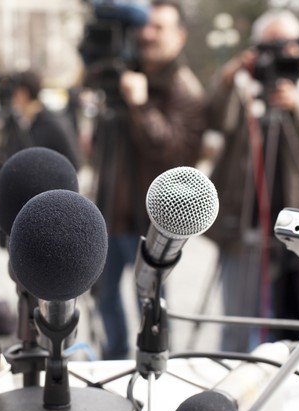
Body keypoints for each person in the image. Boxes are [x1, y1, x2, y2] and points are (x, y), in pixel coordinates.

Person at [205, 9, 299, 352]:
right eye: (271, 46)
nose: (281, 54)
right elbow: (214, 119)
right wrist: (230, 80)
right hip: (248, 225)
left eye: (289, 45)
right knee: (240, 325)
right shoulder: (242, 83)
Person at [92, 0, 206, 360]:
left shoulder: (185, 89)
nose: (148, 34)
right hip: (110, 212)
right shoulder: (124, 74)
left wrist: (140, 105)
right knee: (103, 295)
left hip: (151, 219)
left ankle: (153, 366)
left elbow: (175, 155)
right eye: (146, 26)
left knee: (151, 302)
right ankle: (113, 360)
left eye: (159, 28)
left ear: (181, 36)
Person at [4, 69, 84, 170]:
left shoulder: (53, 125)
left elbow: (75, 163)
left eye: (13, 92)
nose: (11, 97)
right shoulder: (20, 123)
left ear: (23, 93)